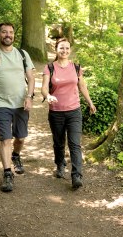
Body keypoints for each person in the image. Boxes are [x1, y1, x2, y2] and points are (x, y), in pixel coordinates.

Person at [0, 22, 35, 192]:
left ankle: (16, 155)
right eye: (4, 32)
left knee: (21, 138)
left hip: (21, 104)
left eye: (10, 32)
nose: (7, 35)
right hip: (0, 102)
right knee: (5, 139)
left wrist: (30, 97)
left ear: (14, 35)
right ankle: (7, 173)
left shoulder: (22, 54)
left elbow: (31, 78)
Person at [41, 37, 96, 189]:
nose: (64, 51)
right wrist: (48, 96)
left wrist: (90, 103)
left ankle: (76, 175)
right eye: (61, 48)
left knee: (75, 144)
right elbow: (44, 87)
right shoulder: (49, 68)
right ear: (56, 50)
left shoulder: (76, 68)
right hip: (56, 112)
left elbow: (82, 87)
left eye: (67, 48)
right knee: (59, 143)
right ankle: (60, 164)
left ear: (70, 50)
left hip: (74, 112)